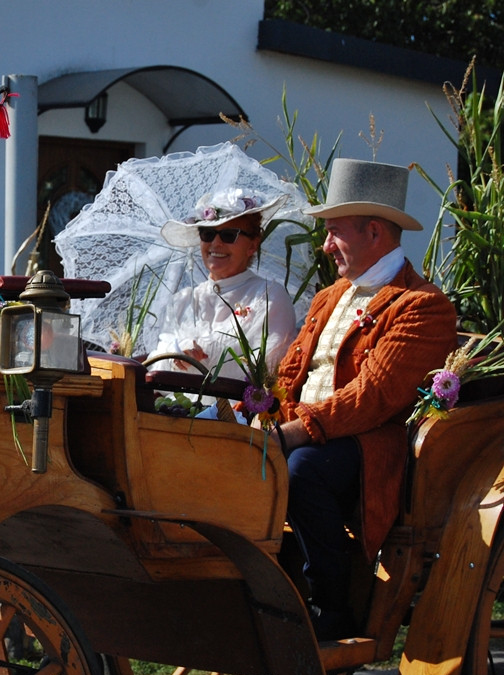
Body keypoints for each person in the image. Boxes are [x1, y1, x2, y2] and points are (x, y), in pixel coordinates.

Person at [272, 158, 457, 639]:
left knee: (301, 470)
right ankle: (261, 590)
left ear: (373, 231)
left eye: (334, 232)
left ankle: (332, 606)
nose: (325, 244)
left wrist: (293, 431)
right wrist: (265, 420)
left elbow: (375, 396)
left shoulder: (422, 305)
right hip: (307, 435)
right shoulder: (329, 296)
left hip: (369, 445)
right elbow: (292, 373)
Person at [148, 189, 297, 386]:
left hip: (237, 414)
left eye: (228, 235)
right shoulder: (183, 300)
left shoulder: (269, 297)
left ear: (252, 246)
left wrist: (206, 354)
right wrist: (178, 354)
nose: (215, 243)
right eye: (207, 234)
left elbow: (270, 372)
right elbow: (155, 370)